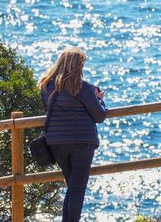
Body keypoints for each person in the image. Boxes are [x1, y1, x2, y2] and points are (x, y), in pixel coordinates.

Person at [39, 47, 106, 222]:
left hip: (56, 142)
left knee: (72, 187)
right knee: (77, 188)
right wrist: (99, 98)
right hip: (82, 142)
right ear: (78, 66)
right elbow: (99, 116)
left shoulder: (46, 87)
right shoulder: (82, 87)